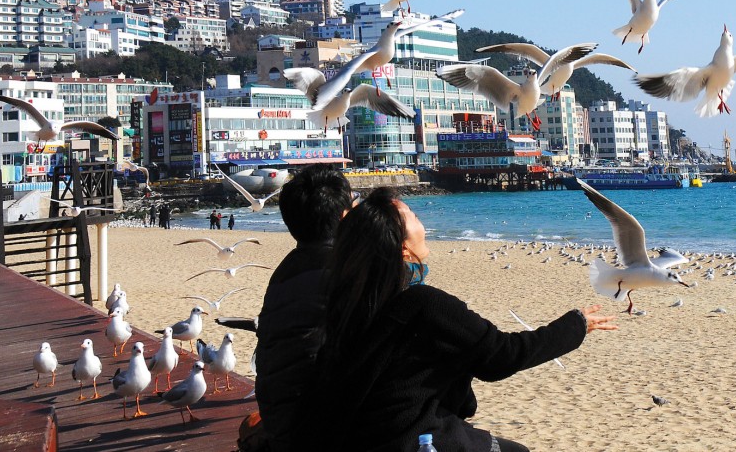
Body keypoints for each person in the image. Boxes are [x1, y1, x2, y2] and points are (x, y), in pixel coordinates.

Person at [299, 187, 616, 451]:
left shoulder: (349, 301)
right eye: (414, 216)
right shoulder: (423, 305)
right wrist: (576, 325)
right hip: (406, 437)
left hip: (354, 436)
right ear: (403, 248)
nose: (422, 222)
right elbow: (502, 356)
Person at [256, 164, 355, 452]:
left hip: (281, 422)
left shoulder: (286, 271)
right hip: (317, 431)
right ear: (344, 216)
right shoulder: (342, 271)